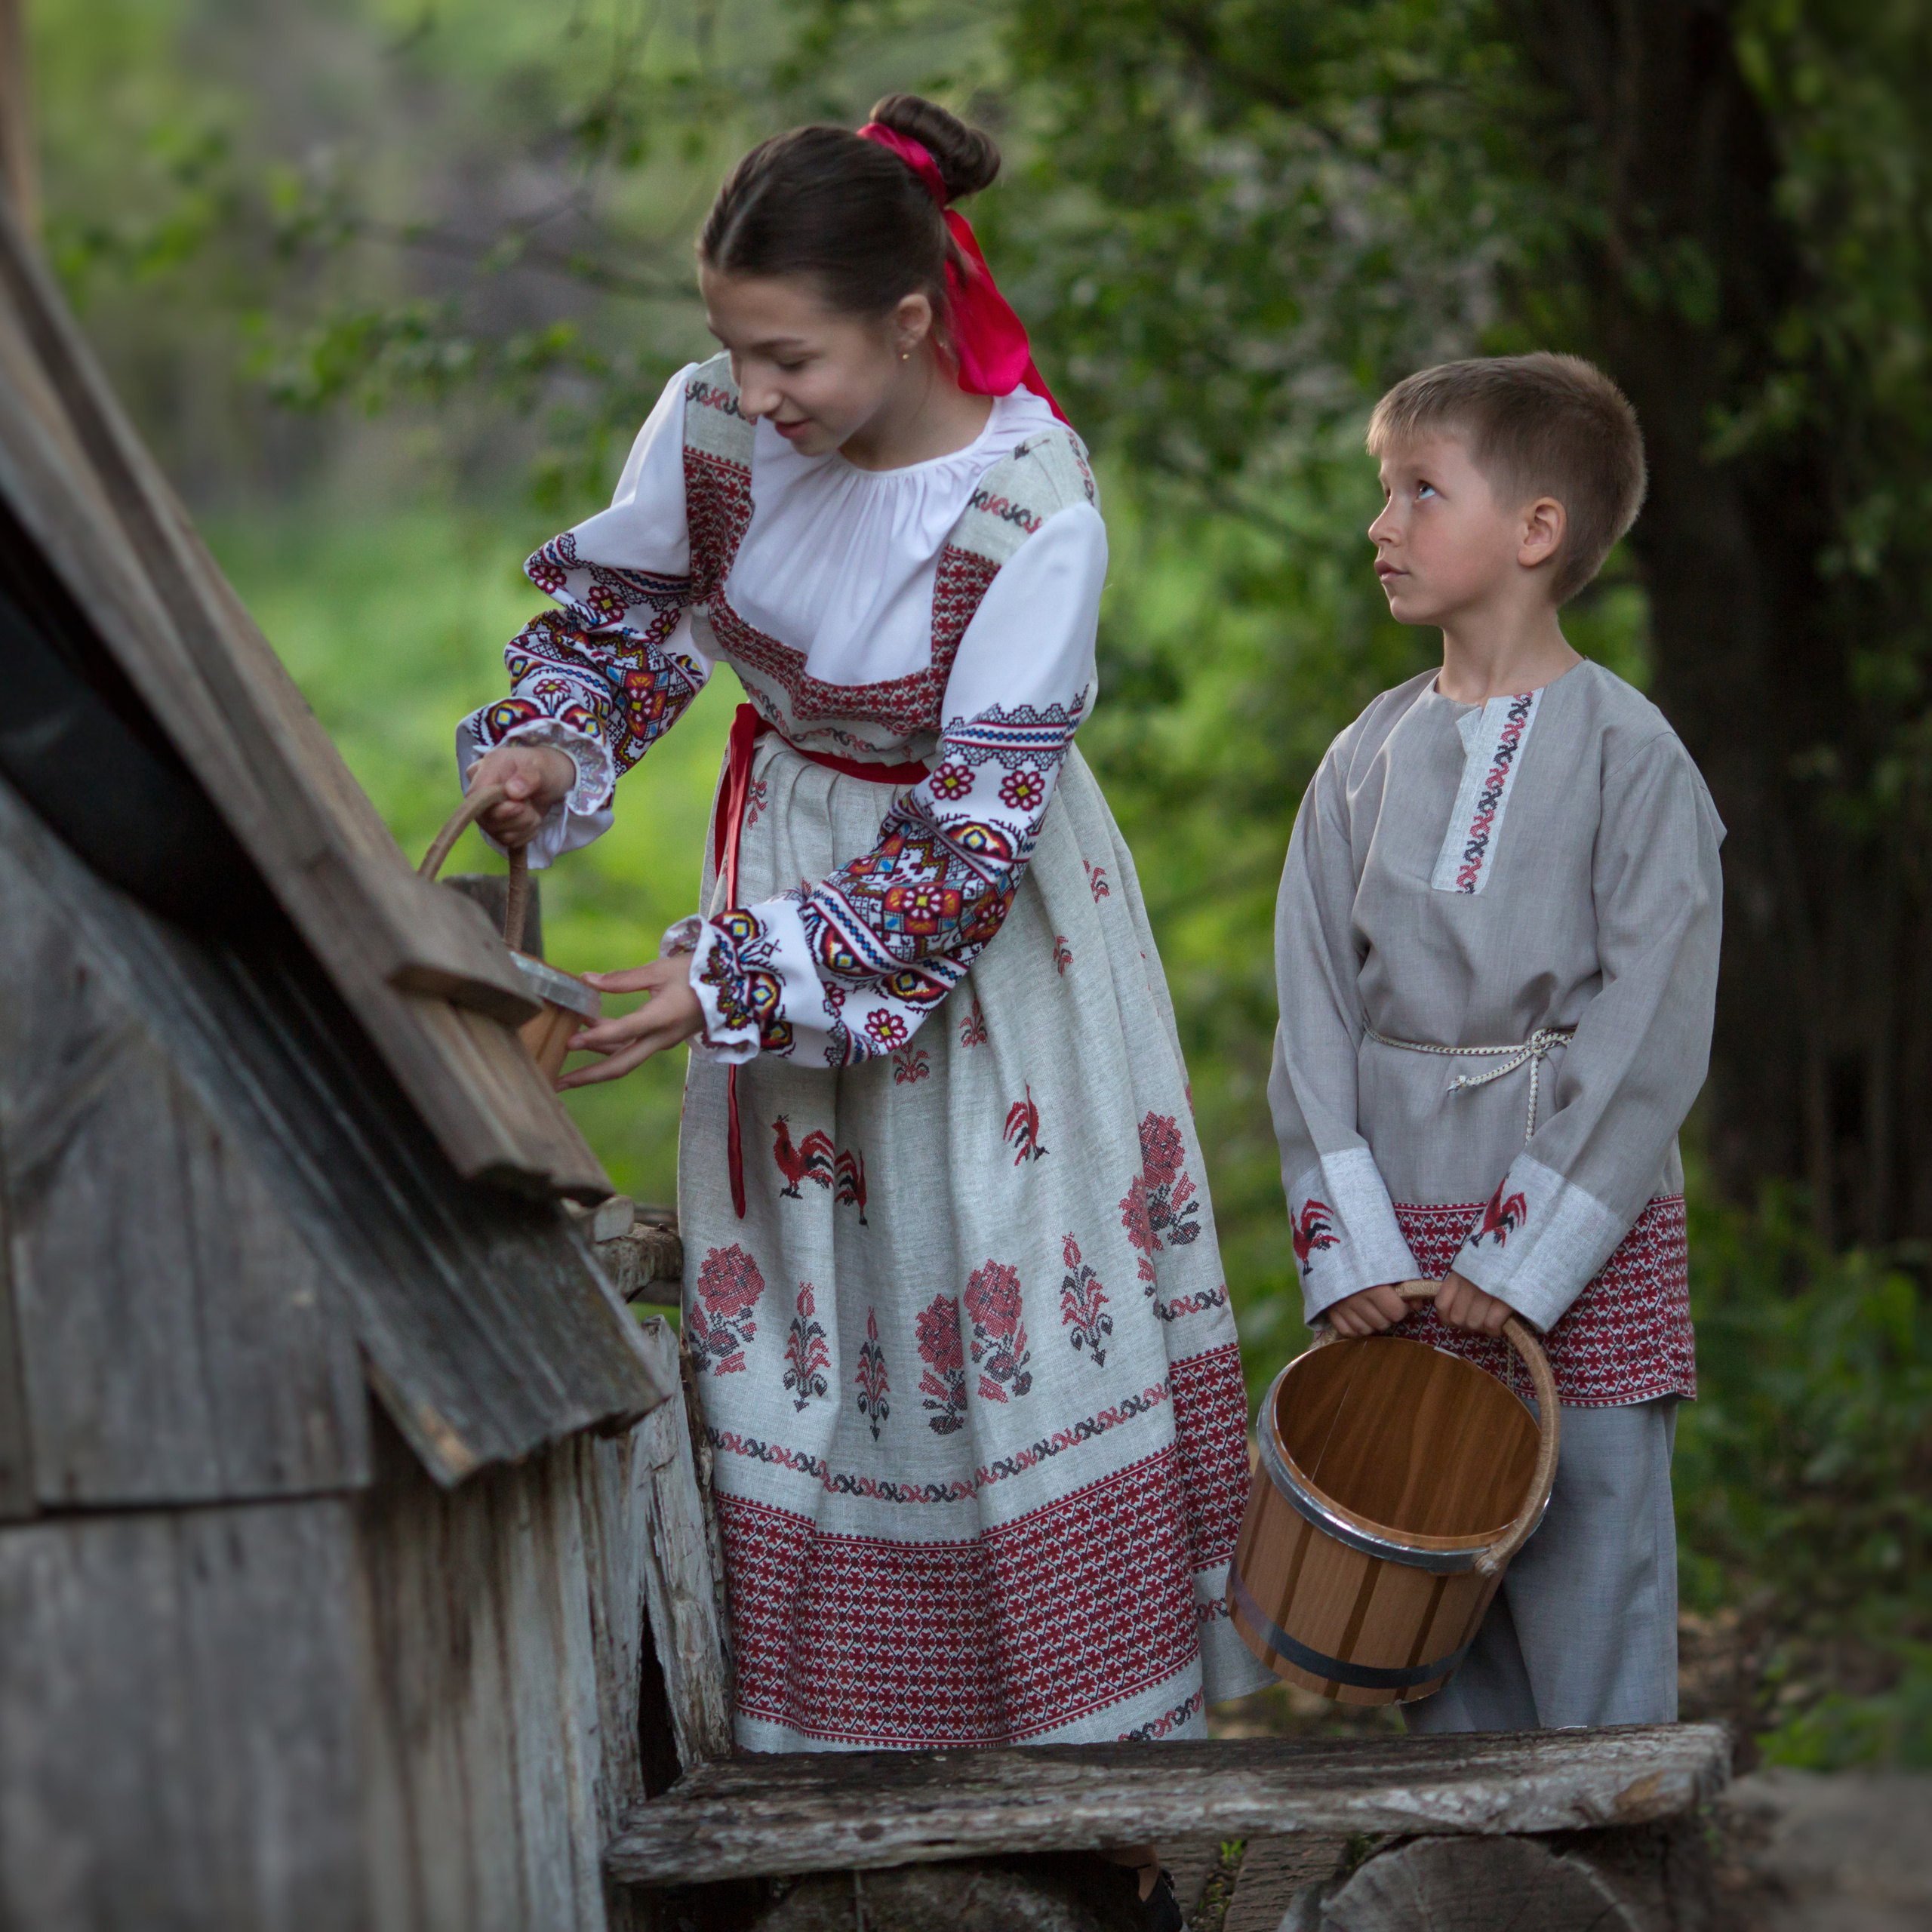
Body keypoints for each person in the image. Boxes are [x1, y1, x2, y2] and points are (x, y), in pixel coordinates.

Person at [455, 92, 1269, 1909]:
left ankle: (1080, 1818)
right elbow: (621, 621)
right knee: (808, 1319)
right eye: (734, 346)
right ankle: (836, 1799)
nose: (755, 392)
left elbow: (966, 851)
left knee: (986, 1296)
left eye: (790, 357)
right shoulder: (711, 424)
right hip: (785, 880)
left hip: (980, 954)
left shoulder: (1027, 503)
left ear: (907, 323)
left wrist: (728, 975)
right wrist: (552, 742)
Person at [1269, 353, 1724, 1732]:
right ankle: (1466, 1846)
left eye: (1422, 490)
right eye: (1384, 491)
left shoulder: (1633, 755)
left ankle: (1615, 1836)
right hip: (1402, 1243)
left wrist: (1525, 1264)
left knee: (1595, 1568)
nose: (1381, 524)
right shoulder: (1362, 758)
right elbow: (1312, 1015)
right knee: (1430, 1576)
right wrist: (1352, 1250)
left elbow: (1650, 1033)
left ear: (1537, 529)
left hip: (1579, 1239)